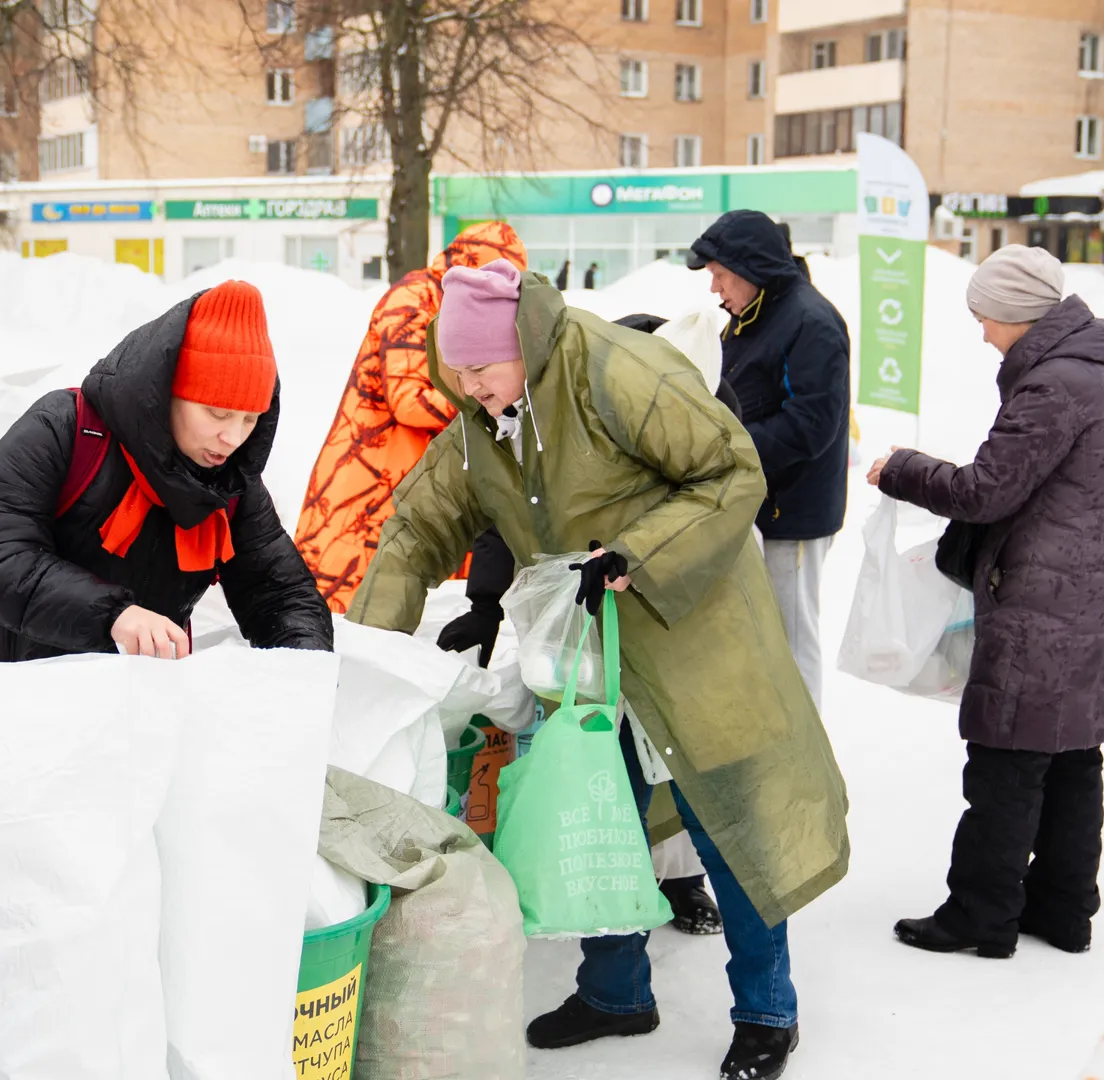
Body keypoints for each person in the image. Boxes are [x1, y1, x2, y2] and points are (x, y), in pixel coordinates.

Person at [347, 259, 847, 1080]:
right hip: (589, 647)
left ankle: (768, 1012)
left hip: (693, 628)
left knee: (731, 819)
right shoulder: (484, 420)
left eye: (481, 369)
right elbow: (414, 530)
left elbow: (731, 470)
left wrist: (637, 552)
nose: (469, 387)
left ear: (525, 344)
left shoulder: (620, 372)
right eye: (457, 371)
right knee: (595, 815)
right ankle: (616, 994)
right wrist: (367, 658)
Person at [868, 245, 1104, 959]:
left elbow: (988, 489)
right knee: (1073, 756)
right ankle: (1061, 908)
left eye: (985, 317)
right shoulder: (1103, 380)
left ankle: (980, 915)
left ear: (1017, 313)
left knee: (1007, 761)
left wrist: (900, 469)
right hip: (1100, 597)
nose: (982, 332)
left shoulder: (1053, 387)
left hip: (1046, 605)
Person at [432, 311, 739, 938]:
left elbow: (722, 508)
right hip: (596, 625)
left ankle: (683, 885)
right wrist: (487, 600)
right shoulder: (592, 395)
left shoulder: (707, 407)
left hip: (686, 629)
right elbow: (509, 510)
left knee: (697, 786)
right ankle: (612, 965)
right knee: (603, 775)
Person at [0, 280, 333, 662]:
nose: (233, 438)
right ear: (166, 394)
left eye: (249, 419)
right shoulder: (66, 428)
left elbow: (278, 592)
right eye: (216, 414)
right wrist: (112, 614)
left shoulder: (229, 485)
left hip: (101, 705)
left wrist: (303, 666)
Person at [294, 222, 526, 612]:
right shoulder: (413, 299)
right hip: (373, 473)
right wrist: (493, 396)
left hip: (417, 472)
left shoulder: (448, 302)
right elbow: (408, 398)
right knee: (355, 603)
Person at [689, 210, 850, 710]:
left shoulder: (811, 322)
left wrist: (728, 451)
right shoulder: (751, 316)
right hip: (757, 506)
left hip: (792, 514)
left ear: (749, 268)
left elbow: (811, 427)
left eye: (719, 274)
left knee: (792, 641)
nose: (715, 289)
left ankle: (806, 768)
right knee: (765, 638)